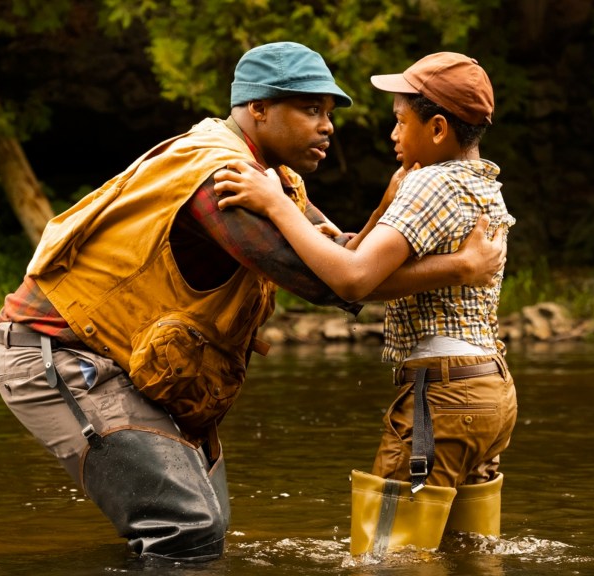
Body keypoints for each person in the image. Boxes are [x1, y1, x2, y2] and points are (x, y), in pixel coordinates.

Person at [0, 43, 506, 563]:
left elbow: (341, 254)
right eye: (311, 110)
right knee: (187, 527)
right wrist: (458, 267)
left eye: (329, 113)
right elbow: (333, 283)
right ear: (257, 109)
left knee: (201, 527)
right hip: (60, 354)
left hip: (126, 363)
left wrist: (380, 210)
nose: (328, 126)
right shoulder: (223, 178)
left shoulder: (272, 181)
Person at [215, 52, 517, 555]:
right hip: (490, 395)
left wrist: (273, 203)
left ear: (438, 128)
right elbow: (367, 262)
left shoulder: (430, 182)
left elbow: (353, 280)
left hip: (441, 397)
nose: (393, 136)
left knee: (387, 556)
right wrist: (382, 208)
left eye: (400, 122)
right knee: (467, 555)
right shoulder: (485, 183)